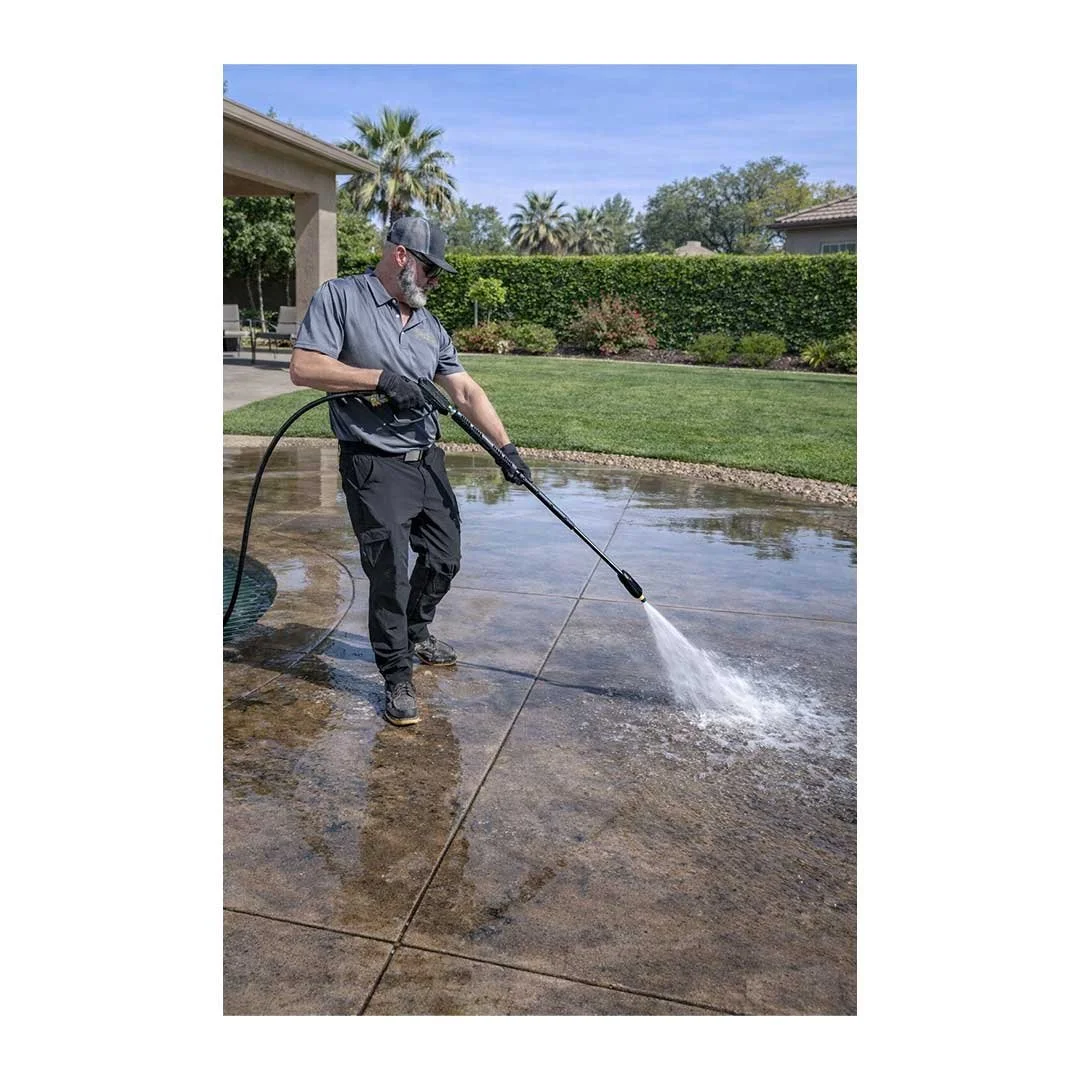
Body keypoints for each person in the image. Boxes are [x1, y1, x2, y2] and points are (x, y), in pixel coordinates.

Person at [289, 217, 531, 727]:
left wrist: (505, 448)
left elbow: (465, 390)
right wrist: (379, 378)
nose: (435, 281)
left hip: (426, 459)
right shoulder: (341, 298)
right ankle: (396, 675)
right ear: (401, 256)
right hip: (373, 463)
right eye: (430, 270)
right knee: (390, 575)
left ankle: (416, 631)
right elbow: (305, 367)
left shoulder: (429, 326)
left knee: (444, 559)